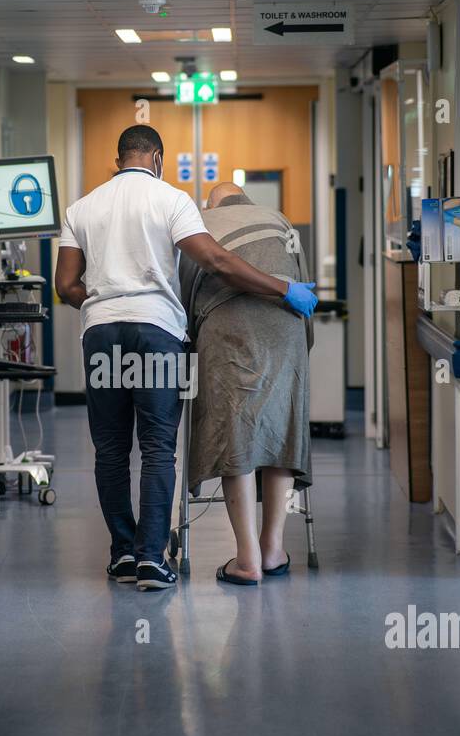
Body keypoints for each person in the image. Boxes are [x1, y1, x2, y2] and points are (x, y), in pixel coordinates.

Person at [55, 125, 318, 591]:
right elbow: (216, 261)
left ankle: (122, 554)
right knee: (158, 446)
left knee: (112, 449)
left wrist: (103, 302)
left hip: (101, 334)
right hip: (157, 331)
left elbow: (66, 286)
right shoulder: (172, 200)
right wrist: (283, 287)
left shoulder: (81, 208)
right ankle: (152, 560)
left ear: (118, 160)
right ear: (156, 156)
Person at [181, 183, 313, 585]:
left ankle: (247, 559)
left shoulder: (199, 223)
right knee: (281, 431)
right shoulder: (280, 221)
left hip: (226, 330)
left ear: (211, 203)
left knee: (233, 431)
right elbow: (302, 285)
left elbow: (185, 295)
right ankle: (273, 549)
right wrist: (300, 349)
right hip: (287, 331)